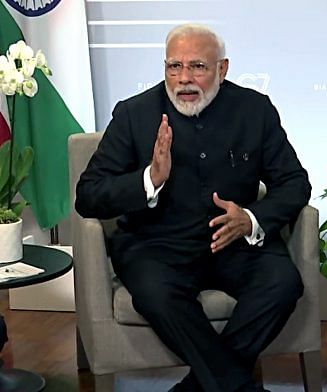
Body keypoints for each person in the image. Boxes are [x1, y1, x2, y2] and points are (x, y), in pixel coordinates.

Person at [75, 24, 311, 392]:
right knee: (155, 293)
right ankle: (234, 384)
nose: (184, 79)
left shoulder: (254, 110)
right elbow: (88, 195)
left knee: (282, 283)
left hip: (233, 243)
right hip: (157, 246)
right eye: (174, 67)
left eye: (197, 67)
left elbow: (295, 183)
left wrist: (250, 220)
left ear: (223, 68)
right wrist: (150, 178)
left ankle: (200, 387)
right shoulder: (134, 115)